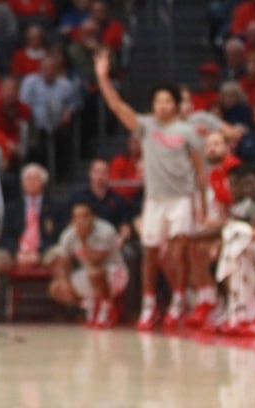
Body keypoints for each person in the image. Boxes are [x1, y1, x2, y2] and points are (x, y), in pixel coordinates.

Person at [95, 48, 204, 330]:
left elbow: (200, 170)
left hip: (182, 199)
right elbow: (118, 107)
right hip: (155, 199)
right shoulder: (145, 126)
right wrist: (103, 79)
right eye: (158, 101)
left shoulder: (188, 132)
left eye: (168, 101)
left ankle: (179, 301)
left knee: (179, 254)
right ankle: (149, 304)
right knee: (150, 254)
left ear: (177, 105)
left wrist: (200, 203)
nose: (162, 105)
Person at [0, 162, 58, 322]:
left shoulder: (55, 206)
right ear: (22, 183)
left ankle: (64, 303)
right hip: (17, 252)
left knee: (61, 254)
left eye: (34, 179)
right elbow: (5, 237)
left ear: (43, 183)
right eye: (27, 179)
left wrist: (39, 253)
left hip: (43, 252)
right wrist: (17, 253)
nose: (30, 183)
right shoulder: (12, 208)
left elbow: (57, 236)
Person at [49, 202, 130, 328]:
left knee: (94, 272)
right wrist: (64, 280)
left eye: (85, 216)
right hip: (90, 274)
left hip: (115, 274)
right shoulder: (68, 234)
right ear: (73, 220)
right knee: (56, 288)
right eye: (77, 217)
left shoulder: (106, 230)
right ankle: (89, 305)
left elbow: (95, 260)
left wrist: (82, 239)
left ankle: (106, 309)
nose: (81, 221)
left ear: (94, 217)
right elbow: (62, 261)